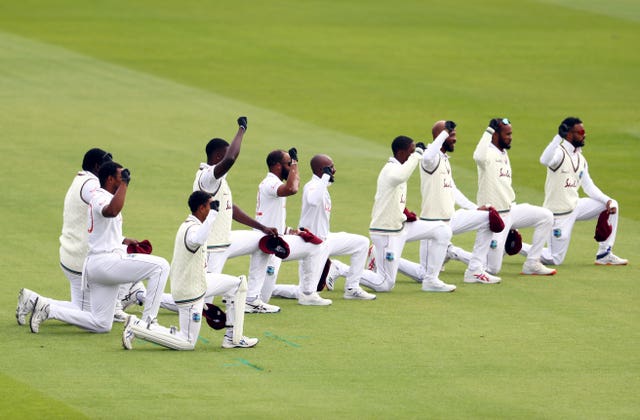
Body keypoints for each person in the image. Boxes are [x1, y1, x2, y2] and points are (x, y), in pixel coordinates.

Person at [27, 161, 170, 335]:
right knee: (161, 266)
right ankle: (149, 323)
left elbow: (106, 228)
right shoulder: (100, 197)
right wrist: (125, 184)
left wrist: (124, 241)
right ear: (110, 179)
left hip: (98, 266)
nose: (123, 179)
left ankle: (49, 309)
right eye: (120, 176)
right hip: (106, 263)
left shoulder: (105, 197)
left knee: (101, 323)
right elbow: (111, 211)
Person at [122, 191, 258, 350]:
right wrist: (213, 214)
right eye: (211, 205)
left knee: (237, 285)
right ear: (201, 208)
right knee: (187, 342)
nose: (215, 208)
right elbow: (197, 240)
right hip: (189, 291)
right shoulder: (192, 230)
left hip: (199, 282)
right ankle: (137, 326)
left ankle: (233, 337)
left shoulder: (194, 225)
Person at [16, 148, 119, 326]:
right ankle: (44, 307)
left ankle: (32, 300)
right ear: (97, 166)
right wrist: (122, 186)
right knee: (89, 315)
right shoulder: (91, 185)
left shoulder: (81, 179)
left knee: (79, 308)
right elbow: (109, 210)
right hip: (81, 259)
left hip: (71, 254)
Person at [192, 117, 280, 314]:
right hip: (213, 247)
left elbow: (231, 209)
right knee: (200, 302)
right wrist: (241, 129)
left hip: (226, 240)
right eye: (223, 157)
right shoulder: (208, 178)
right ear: (217, 158)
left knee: (263, 240)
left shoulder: (218, 179)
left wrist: (261, 227)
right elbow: (231, 158)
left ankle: (251, 299)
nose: (228, 161)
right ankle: (142, 297)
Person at [397, 120, 501, 285]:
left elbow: (453, 190)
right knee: (423, 275)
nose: (455, 139)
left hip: (451, 219)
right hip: (431, 225)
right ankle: (378, 254)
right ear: (441, 136)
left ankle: (474, 270)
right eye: (451, 135)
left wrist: (475, 208)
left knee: (489, 218)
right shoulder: (429, 159)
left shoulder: (444, 159)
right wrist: (445, 132)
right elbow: (428, 157)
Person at [522, 117, 627, 266]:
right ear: (569, 134)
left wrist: (607, 201)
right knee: (554, 259)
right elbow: (544, 160)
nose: (584, 135)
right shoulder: (559, 153)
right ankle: (517, 245)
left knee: (612, 205)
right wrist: (558, 137)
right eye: (581, 132)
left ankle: (604, 253)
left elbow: (588, 187)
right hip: (558, 213)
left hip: (575, 206)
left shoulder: (581, 158)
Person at [271, 154, 377, 300]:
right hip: (312, 244)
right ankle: (270, 288)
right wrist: (325, 178)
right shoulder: (312, 186)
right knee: (306, 291)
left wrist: (326, 179)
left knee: (362, 243)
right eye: (331, 167)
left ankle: (352, 288)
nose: (334, 170)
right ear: (322, 170)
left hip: (326, 238)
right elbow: (313, 200)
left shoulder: (322, 186)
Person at [361, 135, 453, 292]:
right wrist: (417, 155)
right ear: (400, 153)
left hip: (401, 226)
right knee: (385, 284)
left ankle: (431, 280)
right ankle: (339, 269)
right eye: (410, 152)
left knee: (442, 230)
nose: (413, 155)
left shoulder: (399, 167)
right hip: (386, 232)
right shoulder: (391, 169)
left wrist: (406, 213)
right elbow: (401, 176)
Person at [473, 118, 556, 276]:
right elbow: (478, 156)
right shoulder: (487, 153)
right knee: (492, 269)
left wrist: (514, 225)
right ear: (496, 135)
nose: (511, 137)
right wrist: (488, 130)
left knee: (546, 216)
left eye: (511, 133)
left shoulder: (503, 153)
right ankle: (453, 252)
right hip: (494, 217)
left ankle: (532, 263)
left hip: (511, 211)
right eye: (507, 134)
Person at [251, 149, 332, 306]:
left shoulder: (275, 183)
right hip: (266, 242)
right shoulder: (271, 183)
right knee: (261, 290)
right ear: (277, 166)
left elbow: (271, 214)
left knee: (313, 247)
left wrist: (288, 230)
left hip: (276, 238)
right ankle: (241, 296)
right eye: (288, 163)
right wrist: (295, 164)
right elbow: (292, 189)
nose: (291, 167)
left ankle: (307, 292)